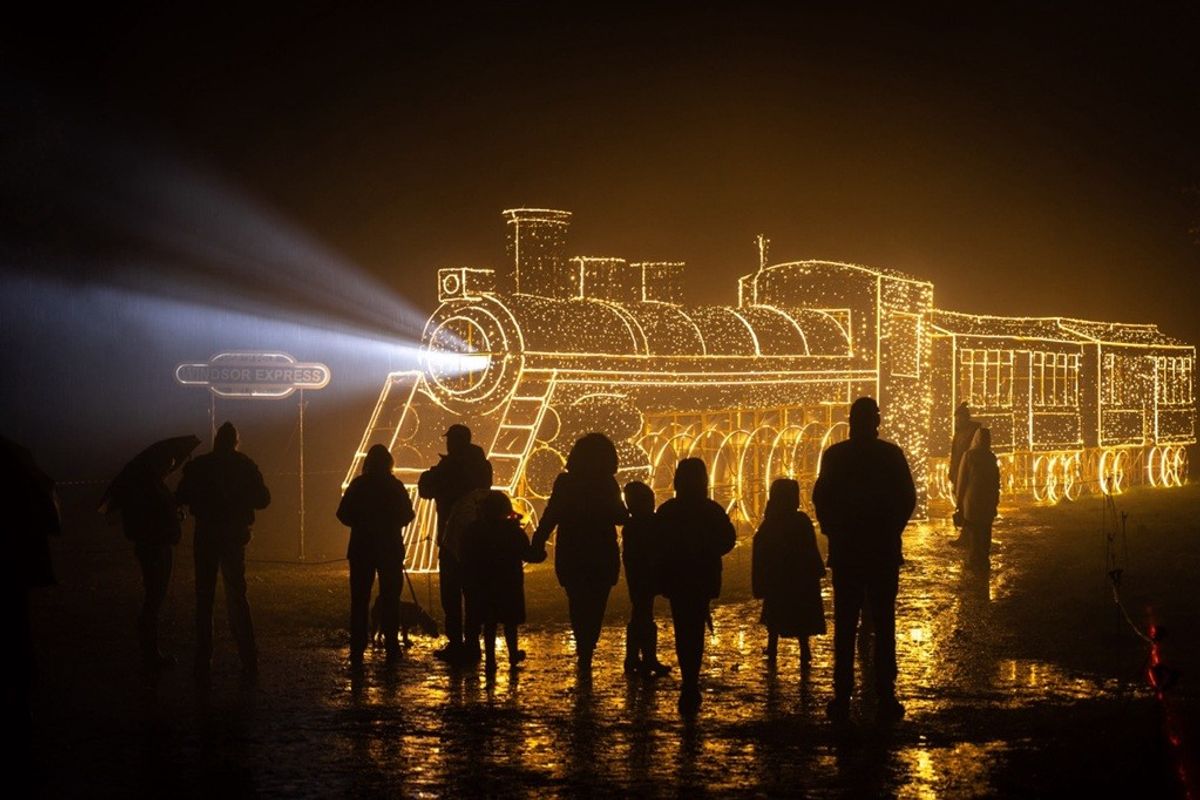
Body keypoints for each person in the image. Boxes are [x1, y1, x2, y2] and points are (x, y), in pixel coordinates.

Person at [812, 397, 916, 723]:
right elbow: (907, 498)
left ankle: (842, 694)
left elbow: (820, 497)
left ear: (850, 421)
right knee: (884, 624)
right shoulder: (891, 455)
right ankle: (885, 694)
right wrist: (891, 530)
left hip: (847, 553)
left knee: (845, 625)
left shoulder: (835, 456)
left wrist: (833, 530)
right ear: (877, 421)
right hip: (882, 551)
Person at [176, 421, 270, 687]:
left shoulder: (200, 466)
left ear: (216, 441)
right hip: (233, 535)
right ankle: (248, 656)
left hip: (206, 534)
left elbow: (181, 495)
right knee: (237, 594)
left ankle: (203, 658)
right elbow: (264, 499)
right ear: (235, 442)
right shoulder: (245, 466)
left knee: (204, 596)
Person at [530, 433, 628, 672]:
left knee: (577, 601)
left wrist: (539, 539)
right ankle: (588, 645)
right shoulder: (606, 483)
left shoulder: (565, 482)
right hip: (601, 551)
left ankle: (584, 648)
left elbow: (552, 512)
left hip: (572, 550)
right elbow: (619, 516)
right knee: (597, 603)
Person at [654, 458, 736, 715]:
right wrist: (708, 551)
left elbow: (657, 542)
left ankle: (688, 678)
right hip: (702, 576)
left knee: (682, 627)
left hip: (677, 577)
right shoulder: (710, 509)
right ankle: (692, 679)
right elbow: (728, 539)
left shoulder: (668, 511)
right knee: (696, 627)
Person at [102, 446, 183, 677]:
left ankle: (151, 651)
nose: (172, 467)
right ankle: (150, 653)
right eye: (169, 463)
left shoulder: (149, 486)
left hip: (156, 547)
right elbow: (156, 517)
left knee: (154, 598)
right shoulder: (150, 489)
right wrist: (171, 519)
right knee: (154, 599)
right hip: (155, 549)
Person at [418, 424, 493, 663]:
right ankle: (472, 642)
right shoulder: (482, 465)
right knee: (474, 592)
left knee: (451, 593)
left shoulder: (449, 467)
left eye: (450, 440)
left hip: (451, 538)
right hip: (477, 539)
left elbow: (425, 489)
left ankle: (457, 643)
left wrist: (434, 472)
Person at [336, 444, 415, 665]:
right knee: (391, 598)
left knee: (359, 599)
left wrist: (361, 524)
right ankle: (391, 644)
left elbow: (342, 513)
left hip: (362, 547)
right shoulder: (394, 486)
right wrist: (391, 525)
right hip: (390, 547)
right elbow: (408, 514)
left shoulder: (359, 485)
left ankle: (358, 646)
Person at [752, 478, 826, 668]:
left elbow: (760, 554)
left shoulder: (769, 524)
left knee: (774, 616)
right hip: (801, 581)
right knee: (802, 617)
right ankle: (804, 649)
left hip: (778, 581)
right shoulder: (801, 521)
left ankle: (773, 648)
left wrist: (760, 583)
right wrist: (816, 570)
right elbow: (810, 549)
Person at [462, 491, 537, 674]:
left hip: (483, 583)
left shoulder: (474, 531)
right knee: (510, 622)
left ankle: (490, 659)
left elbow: (465, 554)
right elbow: (527, 554)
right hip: (508, 583)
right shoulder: (513, 531)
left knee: (489, 622)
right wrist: (539, 552)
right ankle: (513, 653)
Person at [621, 480, 670, 677]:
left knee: (640, 613)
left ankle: (634, 657)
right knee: (644, 615)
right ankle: (645, 658)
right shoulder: (646, 524)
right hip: (645, 575)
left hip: (637, 576)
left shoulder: (631, 526)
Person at [955, 427, 1000, 570]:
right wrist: (995, 500)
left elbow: (962, 480)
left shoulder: (969, 455)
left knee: (974, 531)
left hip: (972, 500)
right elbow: (996, 481)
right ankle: (983, 559)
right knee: (985, 531)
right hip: (988, 500)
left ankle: (975, 561)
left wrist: (959, 501)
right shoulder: (991, 457)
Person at [949, 402, 981, 546]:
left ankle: (969, 536)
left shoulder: (973, 432)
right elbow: (954, 454)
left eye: (959, 418)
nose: (957, 421)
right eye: (956, 418)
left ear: (965, 418)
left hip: (968, 473)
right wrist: (952, 471)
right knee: (961, 503)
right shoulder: (959, 433)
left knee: (967, 504)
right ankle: (966, 534)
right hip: (959, 472)